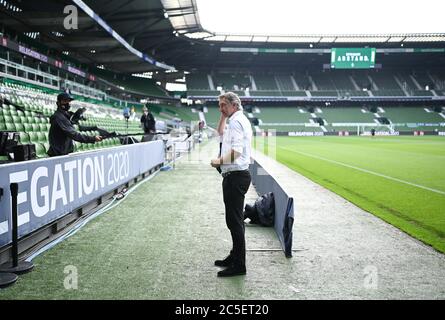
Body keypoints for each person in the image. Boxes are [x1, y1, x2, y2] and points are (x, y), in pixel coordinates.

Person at [210, 92, 252, 277]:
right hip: (235, 175)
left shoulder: (236, 121)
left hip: (235, 176)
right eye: (219, 105)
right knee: (234, 221)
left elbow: (236, 152)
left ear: (234, 105)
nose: (221, 108)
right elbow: (219, 132)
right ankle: (235, 257)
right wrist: (222, 114)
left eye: (224, 105)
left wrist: (219, 161)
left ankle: (239, 265)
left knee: (234, 222)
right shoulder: (235, 118)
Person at [47, 92, 101, 157]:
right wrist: (93, 138)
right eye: (65, 101)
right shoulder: (58, 117)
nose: (68, 103)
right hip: (58, 154)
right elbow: (73, 134)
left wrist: (75, 117)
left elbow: (70, 120)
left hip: (63, 153)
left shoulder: (65, 116)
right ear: (58, 103)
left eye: (69, 101)